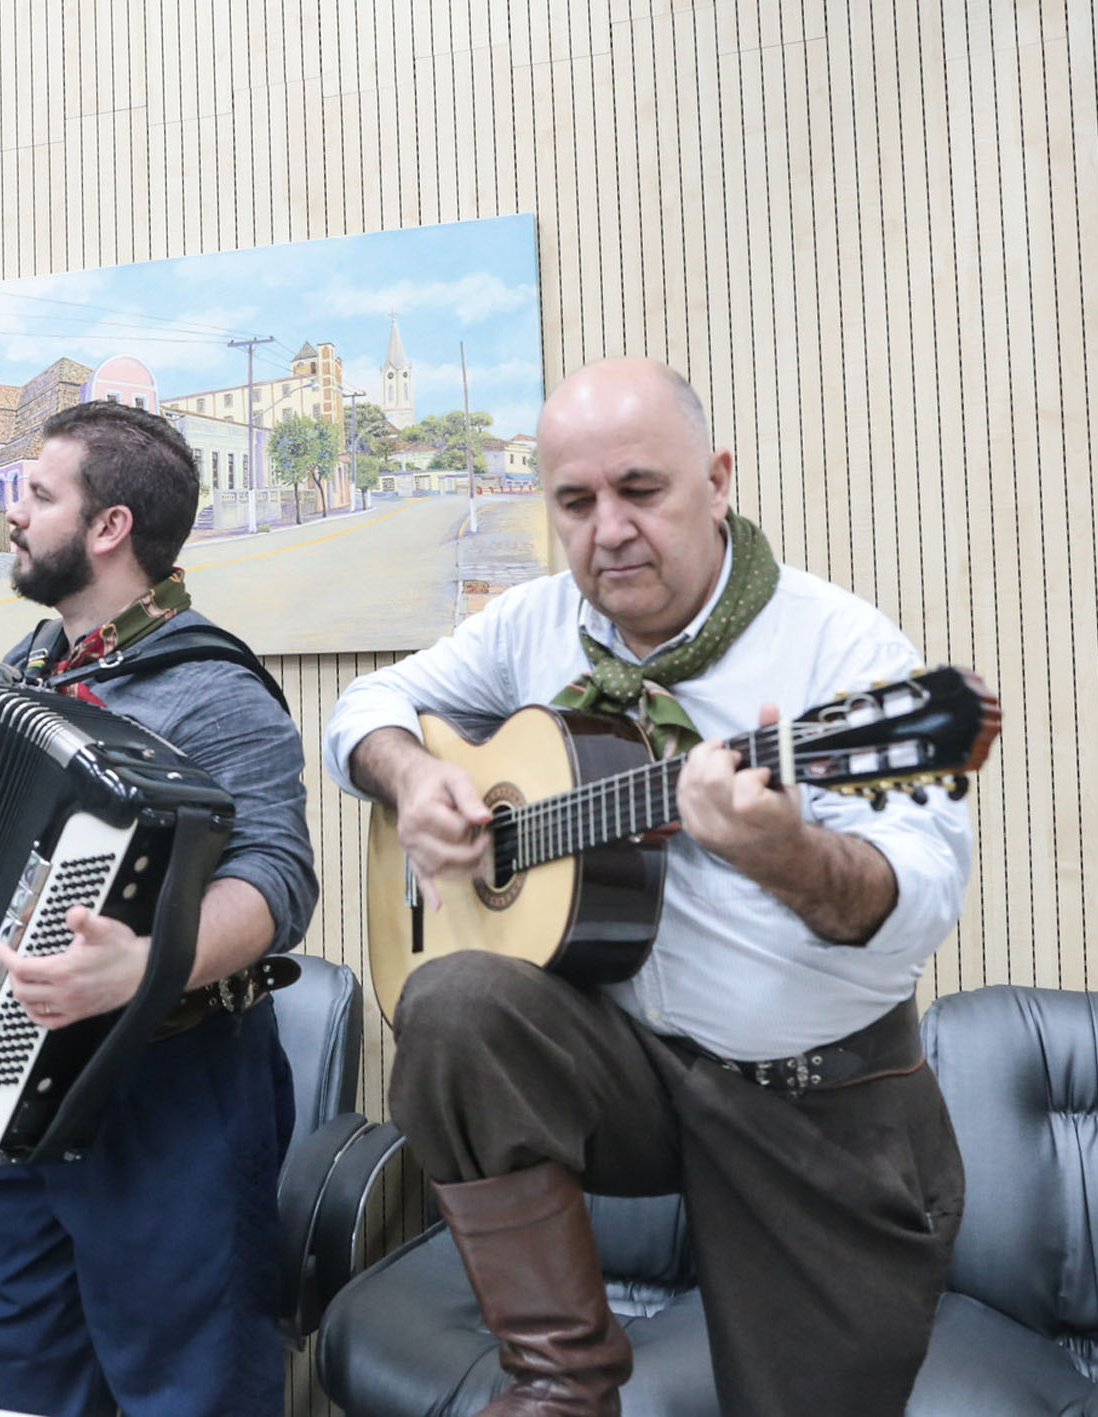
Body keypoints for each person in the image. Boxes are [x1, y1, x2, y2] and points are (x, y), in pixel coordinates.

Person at [324, 358, 972, 1416]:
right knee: (451, 1000)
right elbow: (366, 703)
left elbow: (912, 898)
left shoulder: (843, 653)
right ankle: (559, 1382)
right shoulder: (534, 624)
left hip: (814, 1106)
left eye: (639, 489)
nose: (607, 530)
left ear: (717, 479)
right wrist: (412, 772)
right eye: (574, 503)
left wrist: (779, 850)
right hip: (625, 1073)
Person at [0, 400, 319, 1417]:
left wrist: (142, 966)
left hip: (173, 1093)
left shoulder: (213, 689)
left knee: (185, 1393)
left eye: (36, 493)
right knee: (12, 1383)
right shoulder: (27, 671)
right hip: (13, 1088)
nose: (12, 513)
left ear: (107, 527)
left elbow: (278, 882)